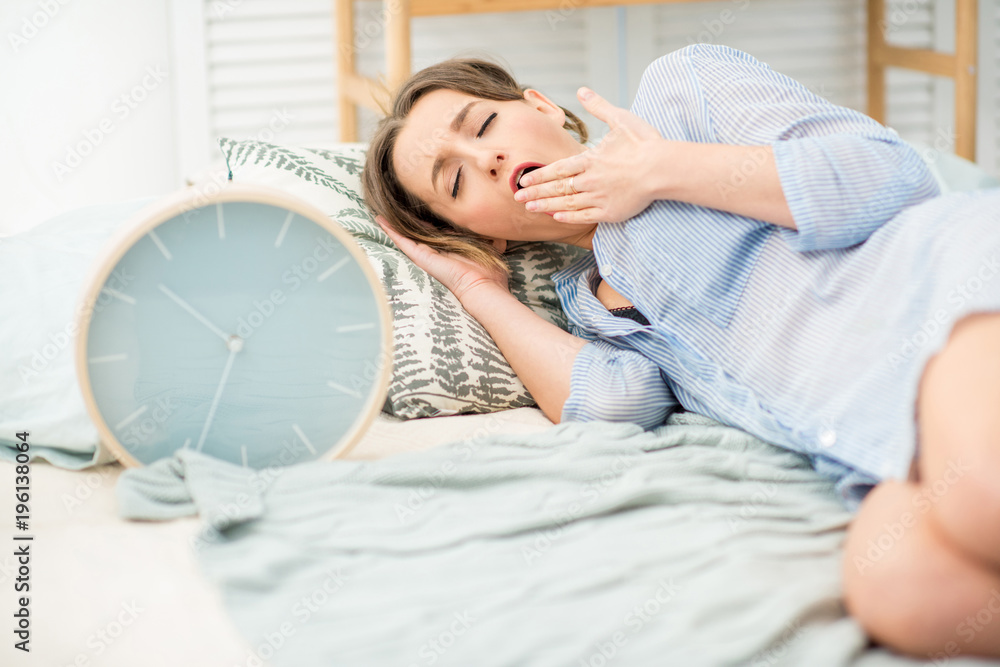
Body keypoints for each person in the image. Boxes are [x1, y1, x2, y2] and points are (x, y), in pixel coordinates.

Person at [361, 43, 1000, 658]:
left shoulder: (682, 92)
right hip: (873, 435)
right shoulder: (591, 303)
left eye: (485, 124)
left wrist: (658, 171)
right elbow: (614, 404)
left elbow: (891, 178)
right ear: (481, 233)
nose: (488, 159)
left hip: (949, 300)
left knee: (978, 493)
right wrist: (478, 289)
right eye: (456, 179)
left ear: (544, 107)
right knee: (900, 588)